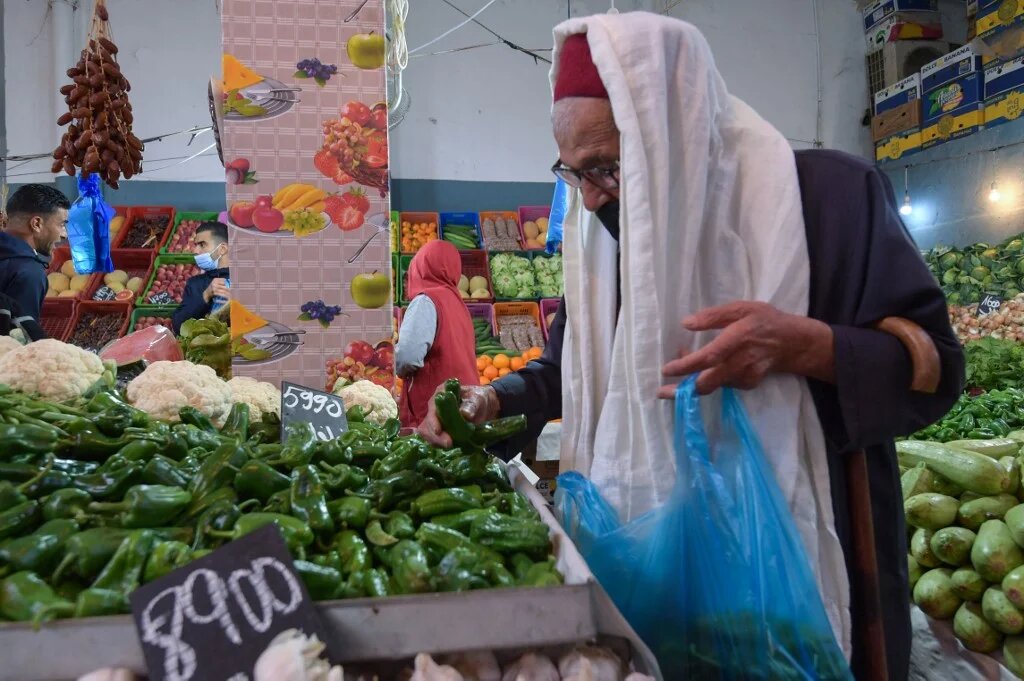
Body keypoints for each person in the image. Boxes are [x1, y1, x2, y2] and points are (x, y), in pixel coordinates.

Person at [417, 14, 963, 681]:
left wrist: (807, 347)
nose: (588, 201)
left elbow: (936, 367)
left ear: (670, 132)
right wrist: (491, 396)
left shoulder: (827, 200)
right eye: (573, 172)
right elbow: (569, 367)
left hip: (798, 577)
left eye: (607, 168)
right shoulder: (607, 240)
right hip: (650, 572)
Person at [396, 240, 479, 428]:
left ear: (419, 267)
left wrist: (389, 366)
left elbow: (408, 356)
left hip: (434, 413)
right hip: (464, 405)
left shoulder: (426, 300)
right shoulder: (458, 303)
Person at [0, 184, 70, 324]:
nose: (64, 234)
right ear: (36, 224)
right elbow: (21, 338)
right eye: (62, 225)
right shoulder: (29, 272)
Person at [172, 221, 230, 334]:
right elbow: (179, 326)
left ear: (222, 249)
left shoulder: (246, 279)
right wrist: (205, 296)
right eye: (196, 245)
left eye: (202, 245)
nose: (195, 251)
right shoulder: (195, 284)